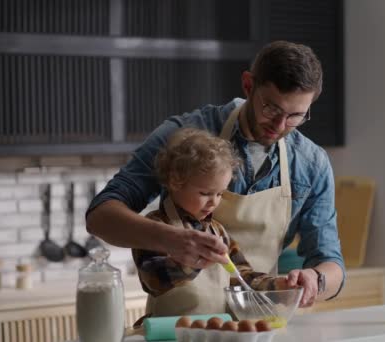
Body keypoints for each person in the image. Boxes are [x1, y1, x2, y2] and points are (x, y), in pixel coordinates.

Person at [87, 40, 345, 308]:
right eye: (271, 109)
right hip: (179, 328)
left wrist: (316, 279)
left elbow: (331, 264)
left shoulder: (311, 162)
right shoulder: (183, 135)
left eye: (295, 116)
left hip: (255, 329)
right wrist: (169, 239)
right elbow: (100, 217)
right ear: (248, 85)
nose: (280, 126)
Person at [134, 128, 288, 315]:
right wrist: (190, 262)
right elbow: (152, 279)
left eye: (220, 194)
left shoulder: (218, 231)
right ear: (175, 181)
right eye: (205, 193)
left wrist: (277, 285)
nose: (214, 201)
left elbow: (242, 277)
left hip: (215, 332)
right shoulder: (156, 227)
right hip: (170, 332)